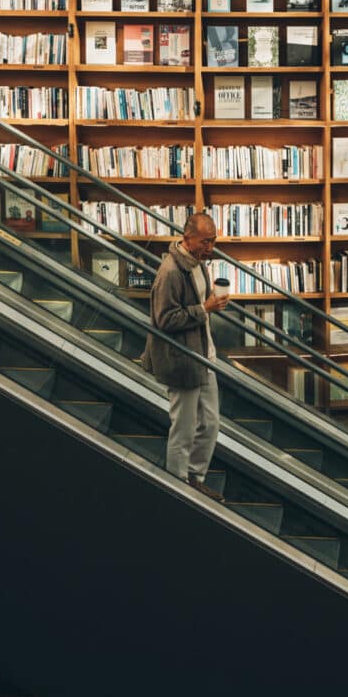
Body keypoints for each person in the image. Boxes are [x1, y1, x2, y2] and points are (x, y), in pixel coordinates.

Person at [142, 213, 228, 501]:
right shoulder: (169, 272)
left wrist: (211, 305)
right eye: (206, 241)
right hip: (182, 362)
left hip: (204, 356)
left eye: (214, 240)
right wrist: (205, 309)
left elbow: (199, 306)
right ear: (187, 237)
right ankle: (177, 487)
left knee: (211, 422)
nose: (211, 246)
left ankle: (195, 476)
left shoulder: (198, 264)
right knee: (184, 427)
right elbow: (164, 319)